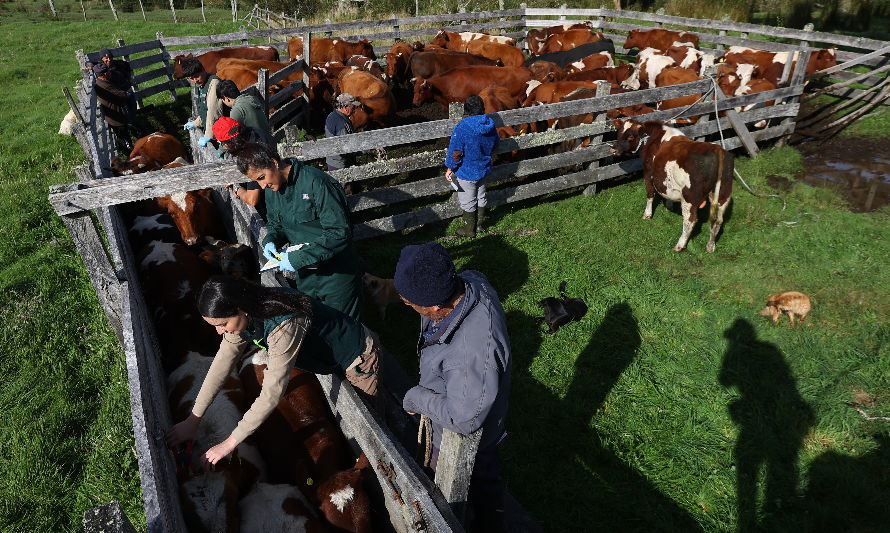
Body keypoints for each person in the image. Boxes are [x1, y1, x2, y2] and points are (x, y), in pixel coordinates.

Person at [165, 275, 382, 468]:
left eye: (222, 324)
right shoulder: (248, 314)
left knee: (372, 422)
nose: (219, 331)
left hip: (358, 357)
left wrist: (229, 443)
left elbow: (272, 393)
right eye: (214, 326)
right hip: (326, 357)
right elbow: (221, 364)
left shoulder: (283, 325)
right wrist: (193, 420)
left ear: (240, 309)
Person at [394, 242, 511, 531]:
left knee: (473, 484)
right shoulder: (468, 283)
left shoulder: (471, 352)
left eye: (410, 303)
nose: (406, 305)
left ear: (435, 306)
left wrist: (416, 397)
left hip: (466, 433)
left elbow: (464, 418)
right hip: (467, 398)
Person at [235, 143, 363, 321]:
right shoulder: (273, 190)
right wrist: (270, 240)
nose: (262, 185)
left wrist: (296, 259)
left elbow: (339, 232)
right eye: (257, 181)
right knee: (316, 323)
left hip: (336, 273)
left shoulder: (317, 183)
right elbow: (275, 224)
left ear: (274, 162)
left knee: (344, 325)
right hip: (306, 274)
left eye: (262, 177)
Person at [445, 94, 498, 237]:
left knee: (467, 200)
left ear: (466, 109)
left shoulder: (462, 127)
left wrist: (450, 167)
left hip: (466, 171)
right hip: (483, 167)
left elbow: (456, 152)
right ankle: (479, 225)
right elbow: (494, 143)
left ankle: (469, 230)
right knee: (481, 196)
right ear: (482, 108)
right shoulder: (489, 124)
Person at [212, 116, 271, 217]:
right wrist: (235, 177)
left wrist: (238, 191)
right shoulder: (253, 132)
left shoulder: (252, 154)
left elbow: (252, 200)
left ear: (227, 145)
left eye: (222, 144)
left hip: (272, 205)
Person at [216, 80, 276, 149]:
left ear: (226, 98)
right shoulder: (251, 98)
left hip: (259, 146)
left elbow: (232, 136)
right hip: (268, 139)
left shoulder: (236, 110)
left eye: (222, 100)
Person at [181, 57, 222, 148]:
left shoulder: (214, 83)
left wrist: (208, 135)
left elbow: (213, 111)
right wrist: (195, 123)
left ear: (203, 70)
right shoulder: (199, 85)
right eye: (191, 78)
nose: (195, 80)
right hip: (212, 129)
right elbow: (204, 109)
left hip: (221, 131)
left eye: (196, 76)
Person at [93, 62, 132, 153]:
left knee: (123, 135)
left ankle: (127, 150)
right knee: (123, 136)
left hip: (114, 115)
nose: (110, 73)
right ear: (104, 74)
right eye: (108, 72)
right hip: (116, 117)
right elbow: (120, 94)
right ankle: (129, 153)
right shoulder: (104, 85)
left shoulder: (101, 82)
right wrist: (128, 93)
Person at [324, 93, 361, 172]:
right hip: (340, 163)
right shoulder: (342, 124)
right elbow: (346, 146)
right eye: (353, 107)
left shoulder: (332, 115)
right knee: (345, 183)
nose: (354, 110)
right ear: (346, 107)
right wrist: (365, 150)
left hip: (332, 160)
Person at [99, 48, 137, 125]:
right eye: (106, 58)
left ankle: (132, 121)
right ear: (102, 59)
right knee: (125, 105)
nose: (109, 59)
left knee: (132, 103)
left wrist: (128, 78)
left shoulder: (118, 64)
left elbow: (126, 65)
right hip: (115, 93)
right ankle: (128, 123)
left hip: (124, 89)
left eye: (110, 57)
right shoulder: (102, 68)